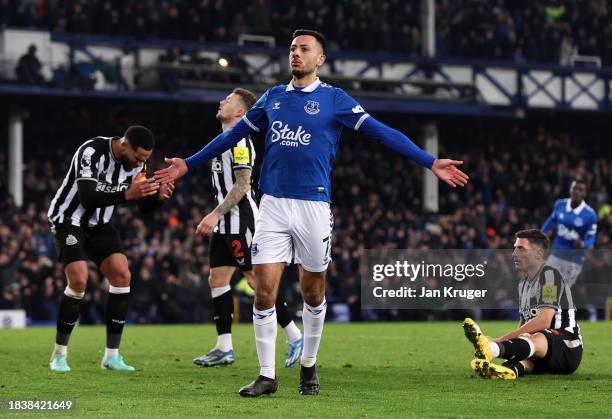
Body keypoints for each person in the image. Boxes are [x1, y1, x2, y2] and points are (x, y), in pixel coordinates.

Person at [154, 29, 468, 397]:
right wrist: (188, 165)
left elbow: (381, 132)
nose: (296, 54)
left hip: (313, 207)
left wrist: (429, 162)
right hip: (272, 206)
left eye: (304, 49)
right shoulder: (272, 97)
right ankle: (266, 375)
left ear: (320, 59)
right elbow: (232, 135)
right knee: (264, 293)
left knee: (313, 293)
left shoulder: (334, 100)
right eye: (292, 48)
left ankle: (308, 366)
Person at [191, 87, 303, 368]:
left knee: (256, 281)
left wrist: (215, 214)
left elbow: (243, 185)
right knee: (217, 280)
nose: (221, 102)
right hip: (224, 223)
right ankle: (224, 347)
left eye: (227, 100)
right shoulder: (222, 140)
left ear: (240, 112)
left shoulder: (240, 143)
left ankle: (294, 336)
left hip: (240, 220)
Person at [47, 126, 174, 372]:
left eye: (145, 160)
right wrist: (128, 193)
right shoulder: (91, 151)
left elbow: (142, 205)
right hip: (68, 220)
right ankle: (58, 354)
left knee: (122, 274)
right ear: (124, 145)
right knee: (79, 279)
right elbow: (88, 196)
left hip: (100, 224)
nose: (141, 163)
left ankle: (111, 357)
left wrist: (157, 199)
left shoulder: (139, 163)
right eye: (138, 158)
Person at [464, 229, 582, 379]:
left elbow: (544, 320)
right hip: (541, 351)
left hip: (567, 346)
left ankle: (490, 349)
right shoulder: (524, 284)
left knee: (537, 335)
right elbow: (524, 324)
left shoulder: (550, 275)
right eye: (514, 248)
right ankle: (508, 371)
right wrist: (513, 345)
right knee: (524, 354)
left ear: (538, 254)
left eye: (521, 249)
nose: (514, 254)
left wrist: (501, 340)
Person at [541, 179, 597, 287]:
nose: (576, 191)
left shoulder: (590, 215)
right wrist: (540, 234)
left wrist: (582, 244)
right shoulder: (560, 204)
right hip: (556, 255)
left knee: (560, 290)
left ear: (584, 193)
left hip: (574, 260)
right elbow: (552, 220)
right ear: (570, 190)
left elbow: (592, 238)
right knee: (546, 287)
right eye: (574, 188)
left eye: (580, 189)